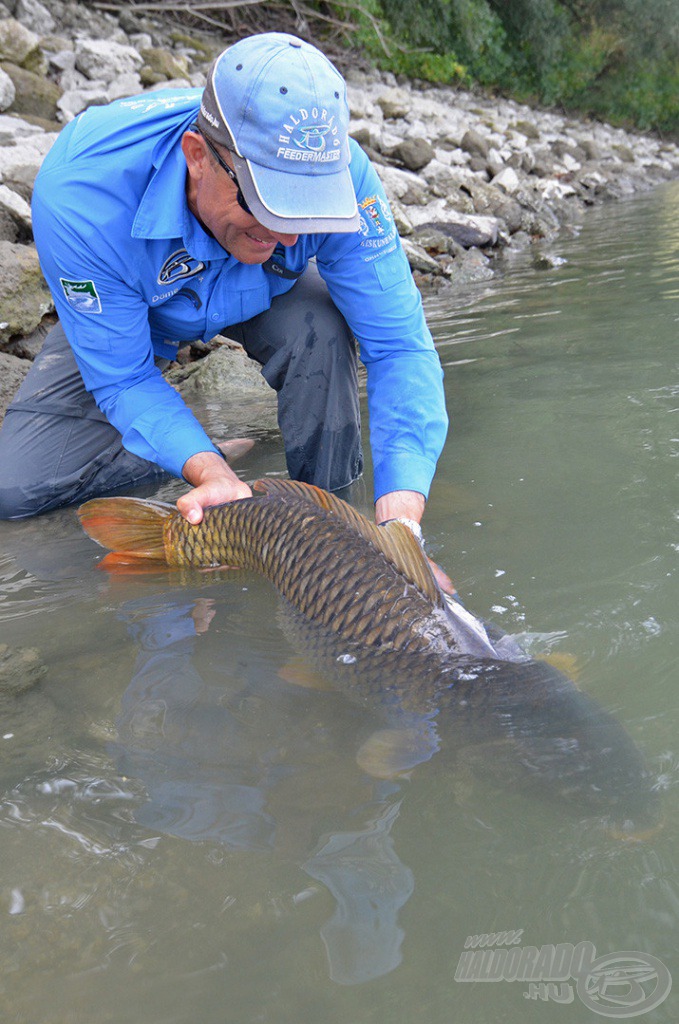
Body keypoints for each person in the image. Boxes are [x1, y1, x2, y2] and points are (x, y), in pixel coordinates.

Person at [0, 32, 449, 581]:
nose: (287, 237)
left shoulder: (345, 176)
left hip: (269, 293)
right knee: (14, 491)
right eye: (266, 205)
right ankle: (197, 450)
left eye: (302, 213)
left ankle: (329, 521)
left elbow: (399, 346)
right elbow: (122, 378)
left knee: (324, 329)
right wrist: (204, 466)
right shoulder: (81, 194)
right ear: (197, 157)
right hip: (135, 311)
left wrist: (402, 525)